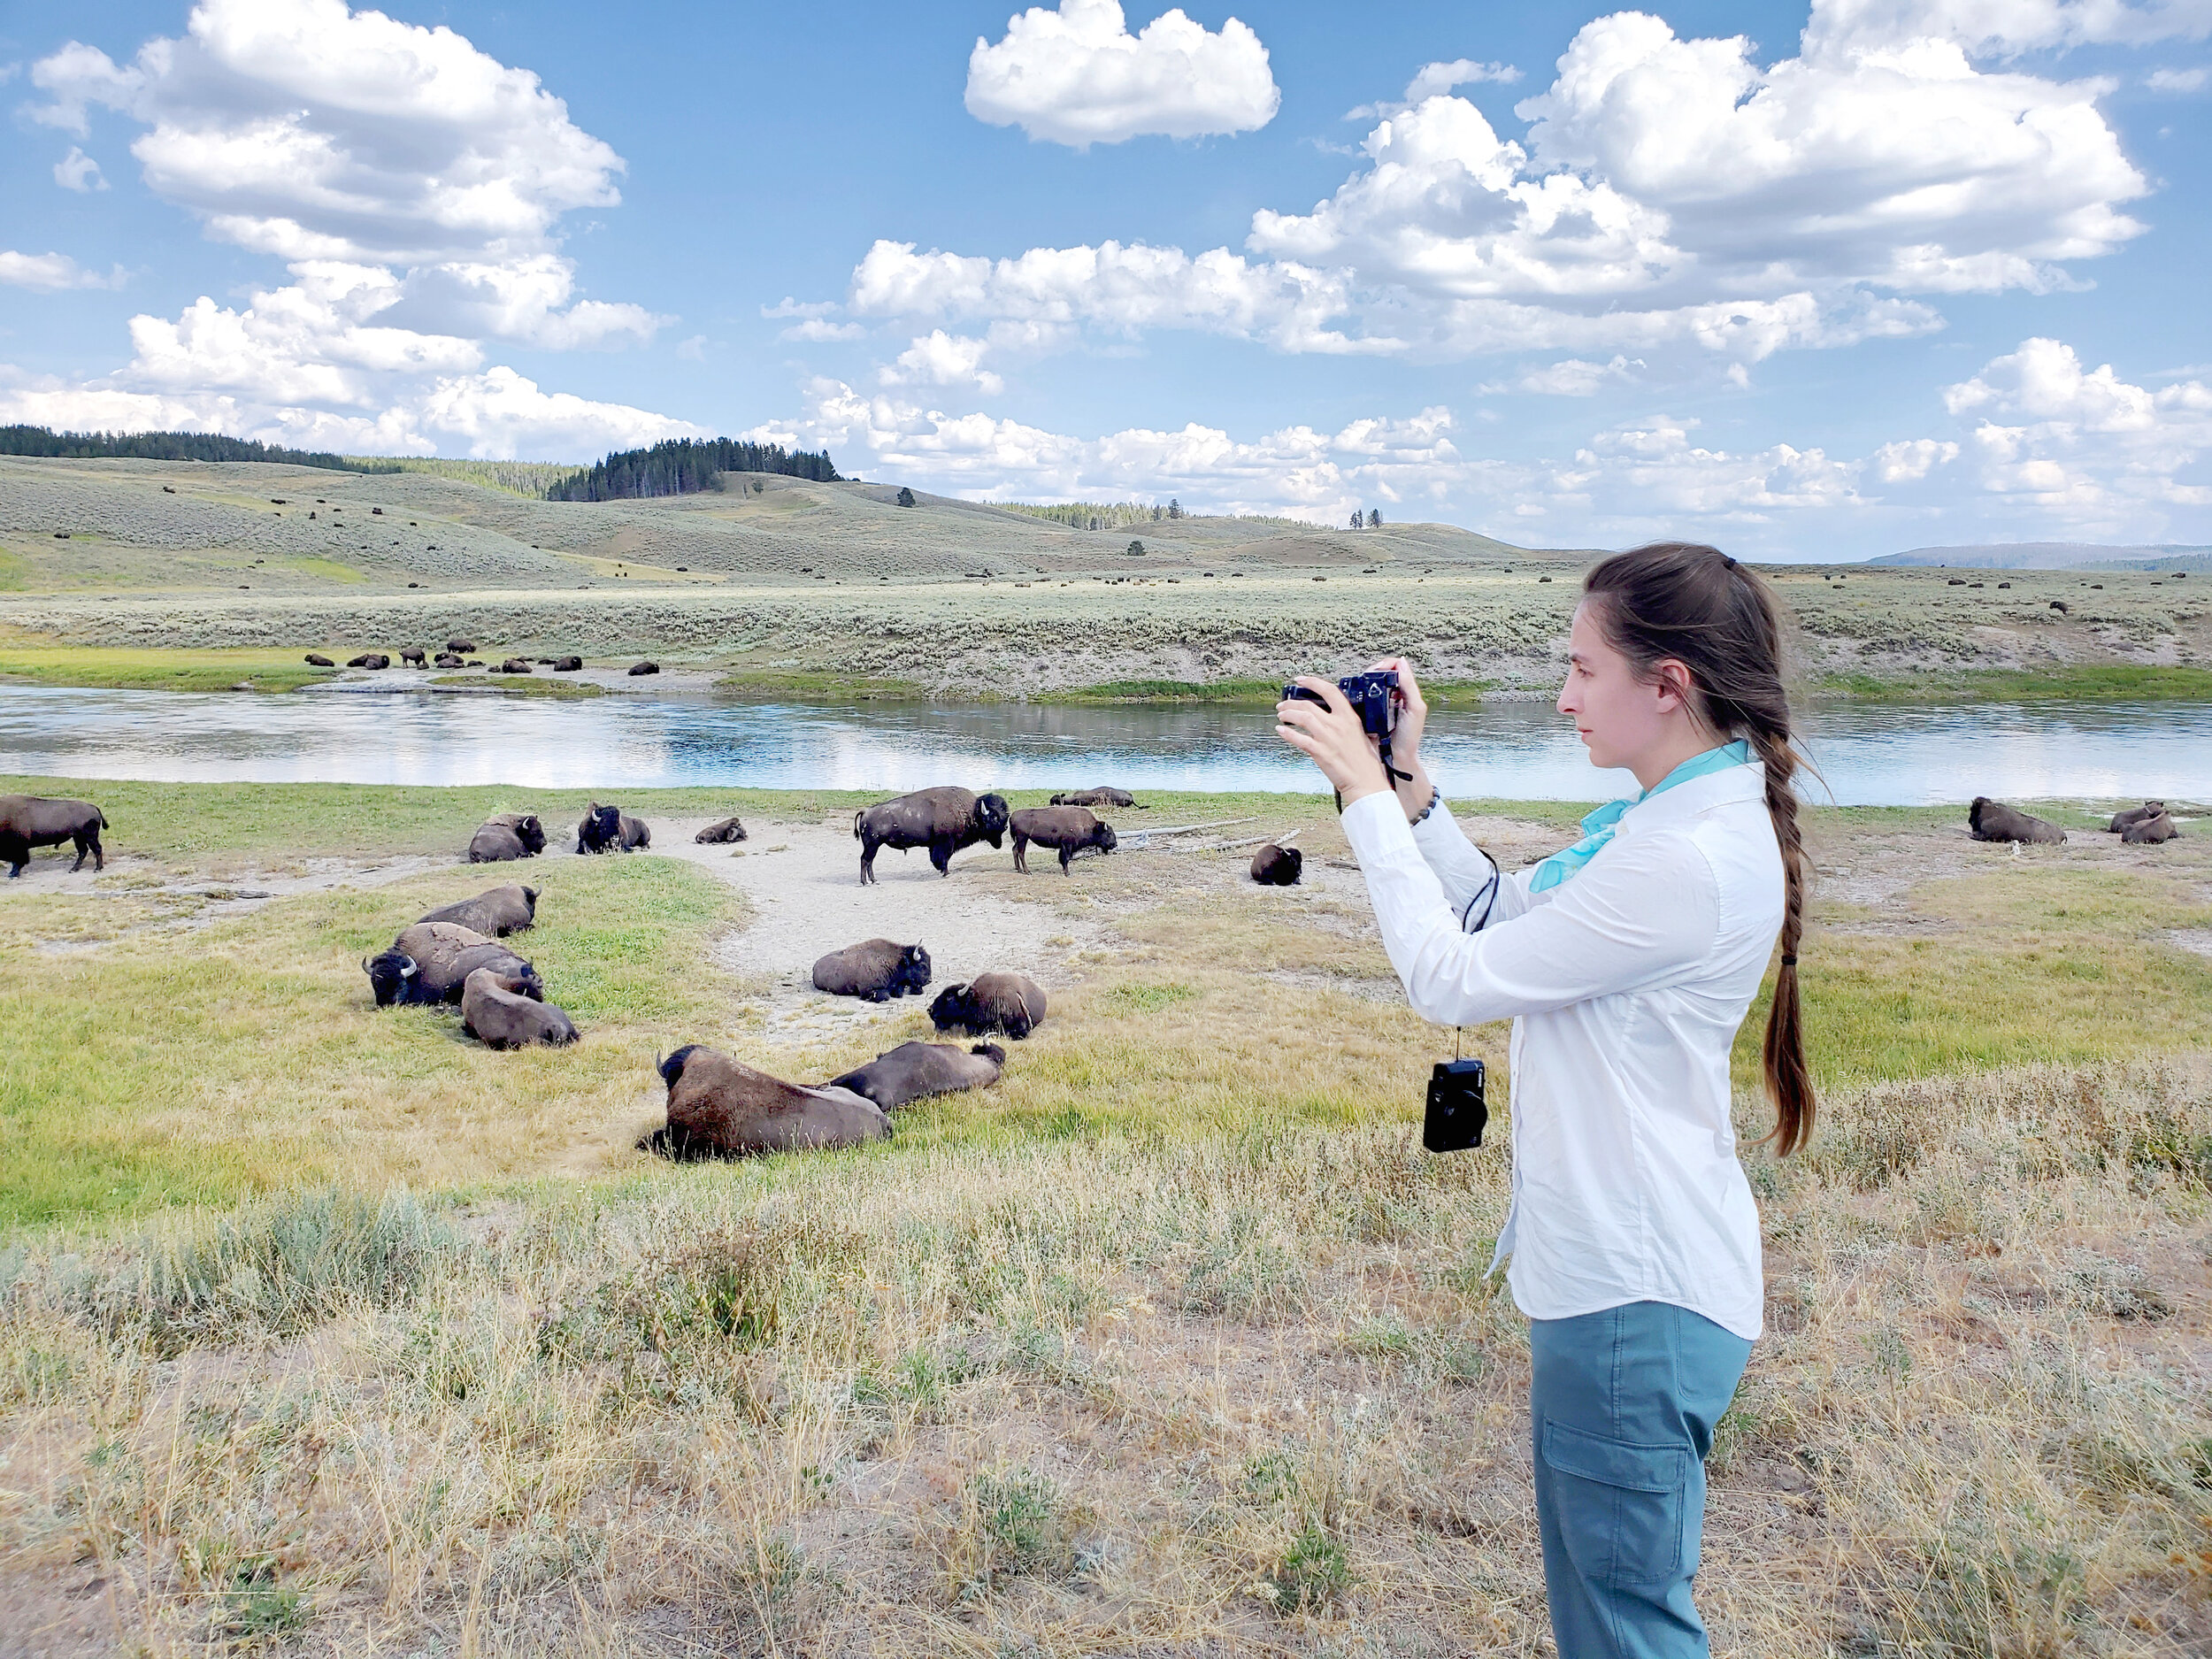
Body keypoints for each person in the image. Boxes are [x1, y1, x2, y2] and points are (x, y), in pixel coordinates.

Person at [1274, 541, 1812, 1659]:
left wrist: (1365, 802)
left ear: (1667, 684)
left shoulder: (1683, 858)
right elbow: (1489, 917)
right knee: (1610, 1618)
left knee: (1625, 1632)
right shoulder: (1663, 825)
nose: (1562, 698)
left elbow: (1447, 977)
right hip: (1631, 1286)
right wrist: (1409, 787)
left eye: (1582, 670)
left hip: (1632, 1301)